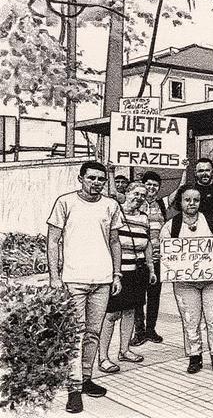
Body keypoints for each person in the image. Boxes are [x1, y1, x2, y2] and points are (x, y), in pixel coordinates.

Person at [46, 161, 123, 414]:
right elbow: (53, 241)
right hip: (73, 280)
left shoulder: (111, 205)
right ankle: (73, 389)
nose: (97, 183)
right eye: (91, 178)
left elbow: (114, 242)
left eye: (101, 179)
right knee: (74, 335)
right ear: (81, 178)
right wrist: (55, 277)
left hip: (102, 280)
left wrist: (116, 274)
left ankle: (87, 378)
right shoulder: (65, 202)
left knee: (93, 333)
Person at [162, 184, 213, 374]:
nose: (192, 203)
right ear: (180, 202)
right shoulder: (171, 226)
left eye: (196, 200)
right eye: (187, 200)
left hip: (212, 281)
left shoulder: (211, 220)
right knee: (190, 321)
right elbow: (164, 252)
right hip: (185, 284)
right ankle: (194, 356)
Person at [97, 182, 157, 374]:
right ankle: (103, 357)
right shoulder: (115, 213)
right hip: (118, 272)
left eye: (143, 195)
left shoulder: (144, 217)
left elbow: (147, 243)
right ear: (127, 193)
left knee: (131, 311)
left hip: (138, 272)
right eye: (136, 193)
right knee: (111, 314)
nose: (139, 197)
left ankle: (124, 350)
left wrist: (151, 268)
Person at [130, 171, 171, 346]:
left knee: (154, 295)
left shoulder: (161, 204)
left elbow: (178, 191)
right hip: (138, 258)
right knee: (138, 296)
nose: (152, 188)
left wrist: (185, 170)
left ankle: (151, 330)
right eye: (149, 184)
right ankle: (139, 331)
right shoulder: (135, 203)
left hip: (157, 257)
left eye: (155, 185)